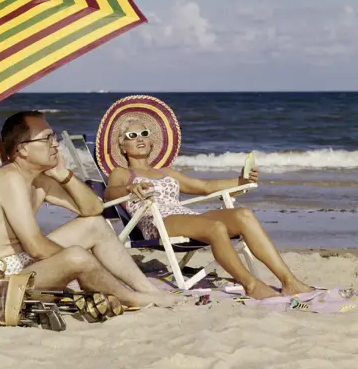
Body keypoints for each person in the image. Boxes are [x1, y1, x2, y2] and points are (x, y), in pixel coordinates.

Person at [0, 110, 182, 308]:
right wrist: (85, 264)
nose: (55, 144)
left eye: (53, 137)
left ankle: (148, 290)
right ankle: (130, 297)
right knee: (77, 256)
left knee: (94, 226)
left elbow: (94, 209)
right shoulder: (9, 178)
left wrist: (63, 175)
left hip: (20, 262)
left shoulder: (39, 180)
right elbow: (36, 247)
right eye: (47, 138)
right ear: (23, 149)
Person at [98, 96, 313, 300]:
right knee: (216, 227)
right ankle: (251, 285)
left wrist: (241, 181)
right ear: (122, 146)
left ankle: (289, 281)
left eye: (144, 134)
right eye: (132, 136)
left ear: (151, 141)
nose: (140, 139)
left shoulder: (166, 171)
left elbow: (204, 187)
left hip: (185, 216)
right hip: (158, 222)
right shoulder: (123, 173)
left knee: (244, 215)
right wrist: (130, 188)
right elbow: (109, 194)